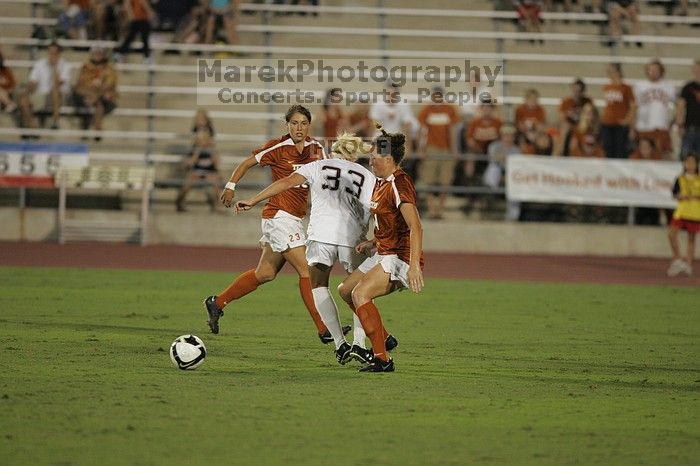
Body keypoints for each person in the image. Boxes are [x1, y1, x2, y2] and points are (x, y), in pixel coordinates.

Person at [235, 132, 398, 365]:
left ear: (335, 152)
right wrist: (378, 238)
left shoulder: (318, 165)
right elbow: (377, 208)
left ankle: (340, 344)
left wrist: (253, 200)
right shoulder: (367, 175)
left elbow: (285, 183)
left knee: (319, 285)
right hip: (353, 239)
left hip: (320, 236)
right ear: (354, 155)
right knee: (359, 291)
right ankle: (360, 346)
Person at [204, 105, 343, 344]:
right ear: (287, 125)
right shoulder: (278, 147)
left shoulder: (317, 148)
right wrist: (230, 186)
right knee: (307, 270)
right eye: (294, 123)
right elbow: (247, 163)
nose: (298, 128)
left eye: (303, 123)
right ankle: (323, 329)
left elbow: (329, 175)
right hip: (278, 216)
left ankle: (216, 303)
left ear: (309, 125)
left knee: (265, 273)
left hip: (296, 219)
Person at [336, 122, 424, 373]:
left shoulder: (399, 183)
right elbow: (390, 219)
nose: (371, 158)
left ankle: (382, 359)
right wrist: (373, 241)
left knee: (360, 295)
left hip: (399, 256)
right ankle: (383, 337)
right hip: (384, 250)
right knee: (345, 290)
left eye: (375, 154)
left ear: (387, 157)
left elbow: (415, 226)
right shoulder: (382, 183)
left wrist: (415, 266)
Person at [417, 87, 460, 220]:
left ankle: (440, 209)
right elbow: (422, 131)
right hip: (431, 148)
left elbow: (453, 131)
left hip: (446, 149)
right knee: (429, 180)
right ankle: (432, 209)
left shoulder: (450, 110)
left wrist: (454, 150)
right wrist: (421, 149)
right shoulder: (426, 111)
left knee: (445, 181)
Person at [18, 42, 72, 130]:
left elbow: (57, 84)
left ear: (59, 54)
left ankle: (55, 121)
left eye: (54, 53)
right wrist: (27, 92)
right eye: (50, 52)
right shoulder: (39, 64)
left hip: (60, 95)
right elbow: (33, 82)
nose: (51, 55)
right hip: (41, 94)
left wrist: (55, 67)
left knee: (55, 91)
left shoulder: (65, 65)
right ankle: (32, 128)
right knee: (23, 99)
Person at [633, 59, 676, 159]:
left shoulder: (669, 87)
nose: (653, 72)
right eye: (651, 69)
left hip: (661, 126)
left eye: (656, 70)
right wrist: (632, 125)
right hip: (643, 126)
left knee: (662, 155)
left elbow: (677, 106)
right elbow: (634, 106)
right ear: (647, 71)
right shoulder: (639, 86)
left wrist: (672, 123)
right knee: (642, 155)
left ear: (661, 71)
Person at [666, 153, 699, 277]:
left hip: (695, 211)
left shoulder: (699, 179)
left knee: (691, 238)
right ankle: (678, 258)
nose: (690, 165)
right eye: (688, 162)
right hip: (682, 210)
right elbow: (675, 194)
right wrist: (681, 196)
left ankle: (688, 264)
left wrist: (695, 196)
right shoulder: (680, 178)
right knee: (671, 233)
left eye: (693, 162)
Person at [73, 47, 118, 137]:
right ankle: (95, 128)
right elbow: (79, 85)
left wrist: (95, 96)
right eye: (95, 53)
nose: (97, 55)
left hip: (102, 97)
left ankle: (95, 128)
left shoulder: (109, 69)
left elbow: (108, 86)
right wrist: (92, 94)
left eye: (99, 53)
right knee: (85, 95)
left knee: (99, 103)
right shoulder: (86, 67)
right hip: (87, 95)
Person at [176, 130, 223, 212]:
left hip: (209, 172)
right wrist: (197, 152)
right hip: (196, 172)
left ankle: (220, 205)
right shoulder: (194, 150)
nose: (203, 142)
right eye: (201, 140)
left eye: (205, 140)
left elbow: (217, 163)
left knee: (215, 182)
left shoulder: (212, 150)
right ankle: (180, 201)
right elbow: (190, 163)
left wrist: (211, 151)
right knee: (188, 181)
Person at [600, 63, 635, 158]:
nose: (611, 74)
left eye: (613, 71)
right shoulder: (607, 87)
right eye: (609, 72)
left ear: (619, 72)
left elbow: (633, 106)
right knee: (607, 148)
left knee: (619, 149)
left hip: (619, 123)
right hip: (607, 122)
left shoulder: (626, 88)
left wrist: (628, 120)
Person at [555, 78, 592, 156]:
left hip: (582, 126)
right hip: (569, 127)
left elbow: (590, 116)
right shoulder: (566, 101)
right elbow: (561, 117)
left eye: (579, 90)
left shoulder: (587, 101)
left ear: (583, 91)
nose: (577, 93)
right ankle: (561, 153)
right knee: (565, 128)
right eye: (575, 90)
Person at [675, 60, 700, 159]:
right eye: (696, 70)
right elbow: (680, 106)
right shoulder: (687, 88)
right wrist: (680, 124)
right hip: (690, 128)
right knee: (686, 157)